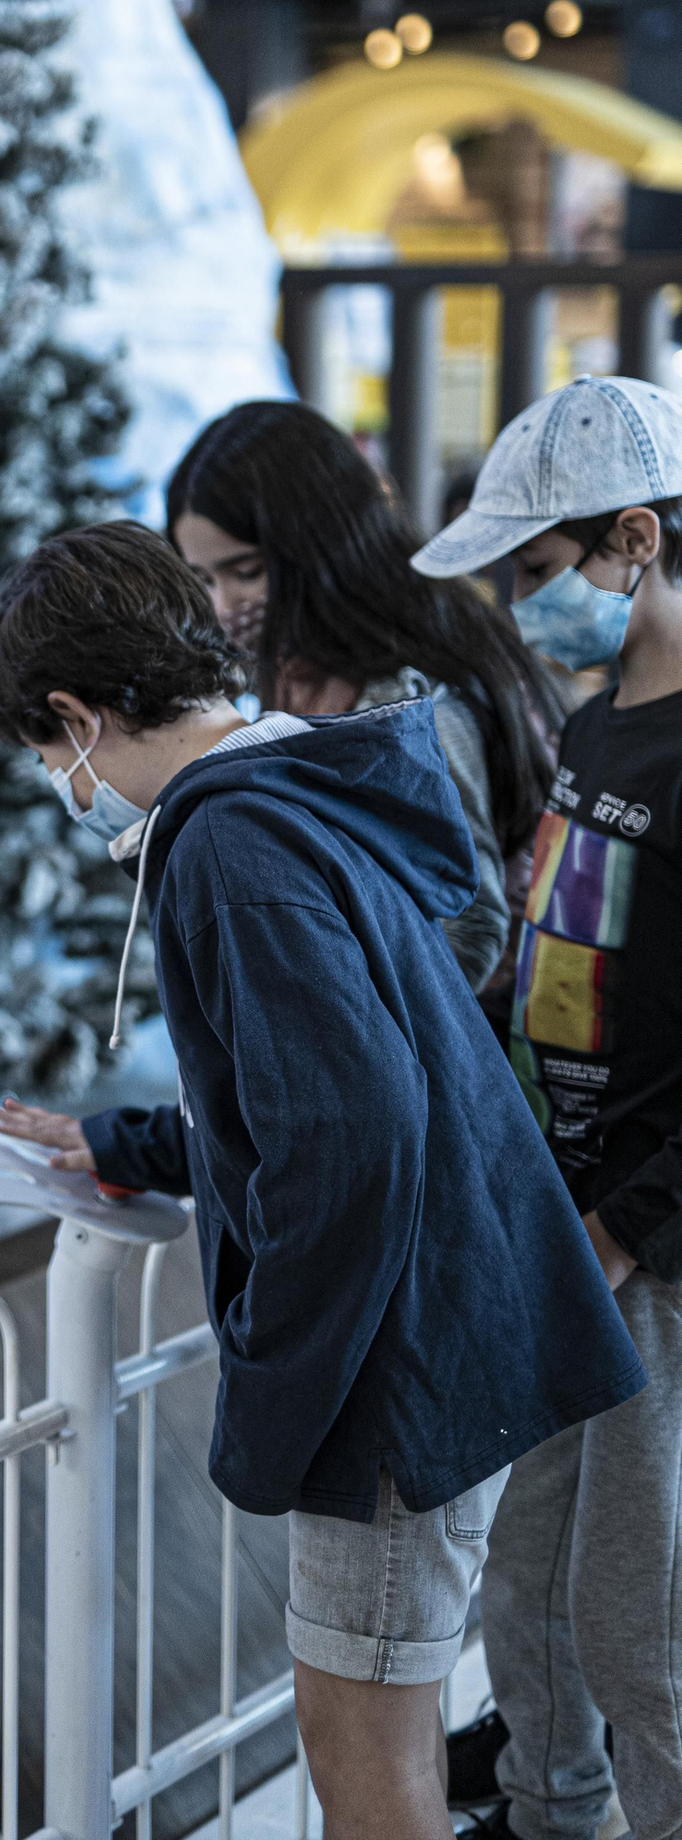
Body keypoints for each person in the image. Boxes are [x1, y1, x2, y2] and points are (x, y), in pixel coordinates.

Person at [0, 520, 643, 1840]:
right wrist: (134, 1144)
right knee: (380, 1725)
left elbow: (351, 1132)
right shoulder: (311, 788)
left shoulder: (229, 847)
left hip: (391, 1383)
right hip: (457, 1327)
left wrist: (278, 1389)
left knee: (364, 1759)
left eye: (51, 753)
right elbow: (326, 1075)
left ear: (75, 714)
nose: (64, 783)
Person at [411, 373, 682, 1840]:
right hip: (570, 1236)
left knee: (647, 1633)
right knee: (531, 1585)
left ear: (634, 537)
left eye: (537, 571)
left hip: (649, 1262)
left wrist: (633, 1227)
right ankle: (545, 1810)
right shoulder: (593, 728)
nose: (522, 607)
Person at [165, 400, 559, 998]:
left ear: (322, 546)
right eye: (203, 578)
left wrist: (337, 1029)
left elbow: (469, 928)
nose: (223, 605)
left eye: (246, 570)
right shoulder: (299, 663)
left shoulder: (413, 696)